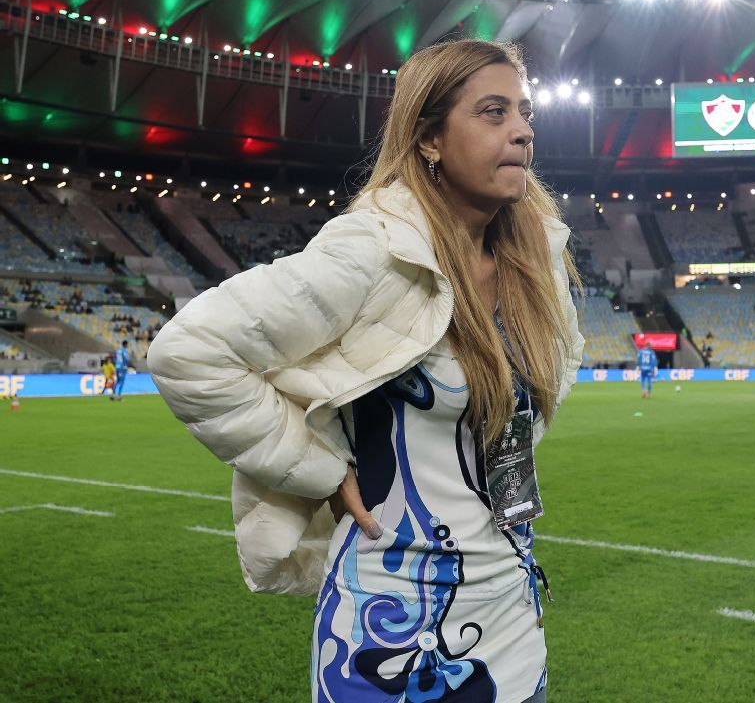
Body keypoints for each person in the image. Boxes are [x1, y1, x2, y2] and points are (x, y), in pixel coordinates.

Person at [148, 39, 583, 703]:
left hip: (510, 616)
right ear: (429, 138)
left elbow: (548, 382)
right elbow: (188, 350)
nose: (522, 130)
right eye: (493, 112)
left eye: (525, 113)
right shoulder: (375, 251)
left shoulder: (536, 262)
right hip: (385, 628)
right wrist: (319, 469)